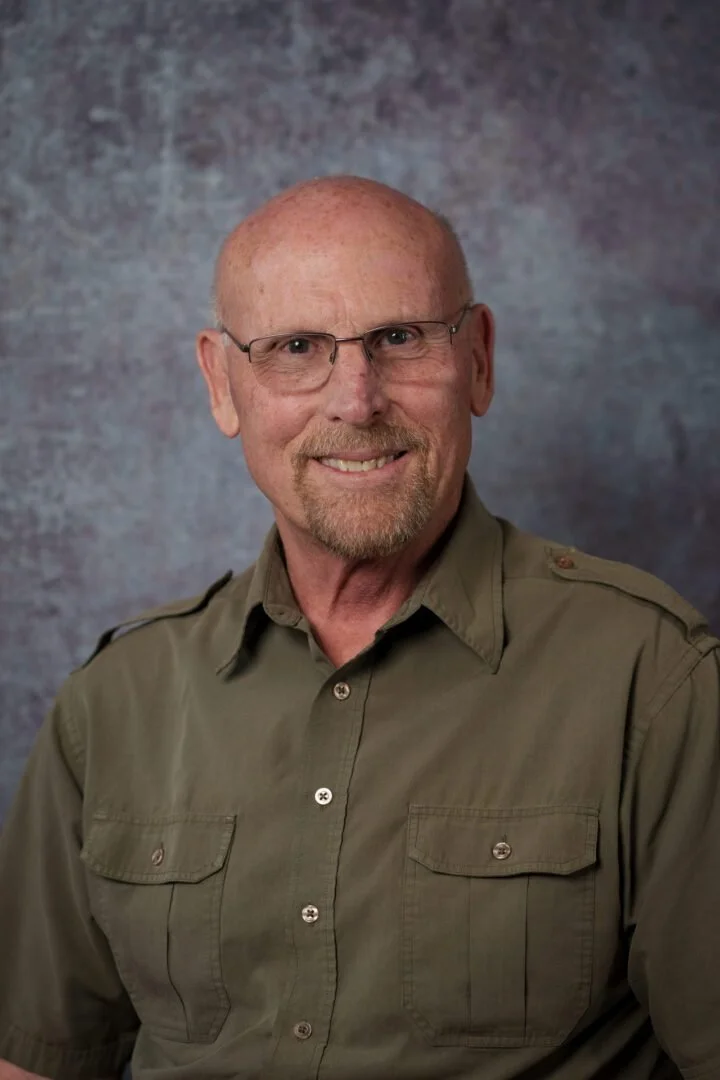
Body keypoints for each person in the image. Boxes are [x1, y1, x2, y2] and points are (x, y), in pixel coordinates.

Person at [0, 175, 718, 1080]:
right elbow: (33, 1060)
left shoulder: (651, 678)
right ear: (222, 385)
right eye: (296, 347)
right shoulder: (113, 704)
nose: (356, 398)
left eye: (401, 337)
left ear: (479, 360)